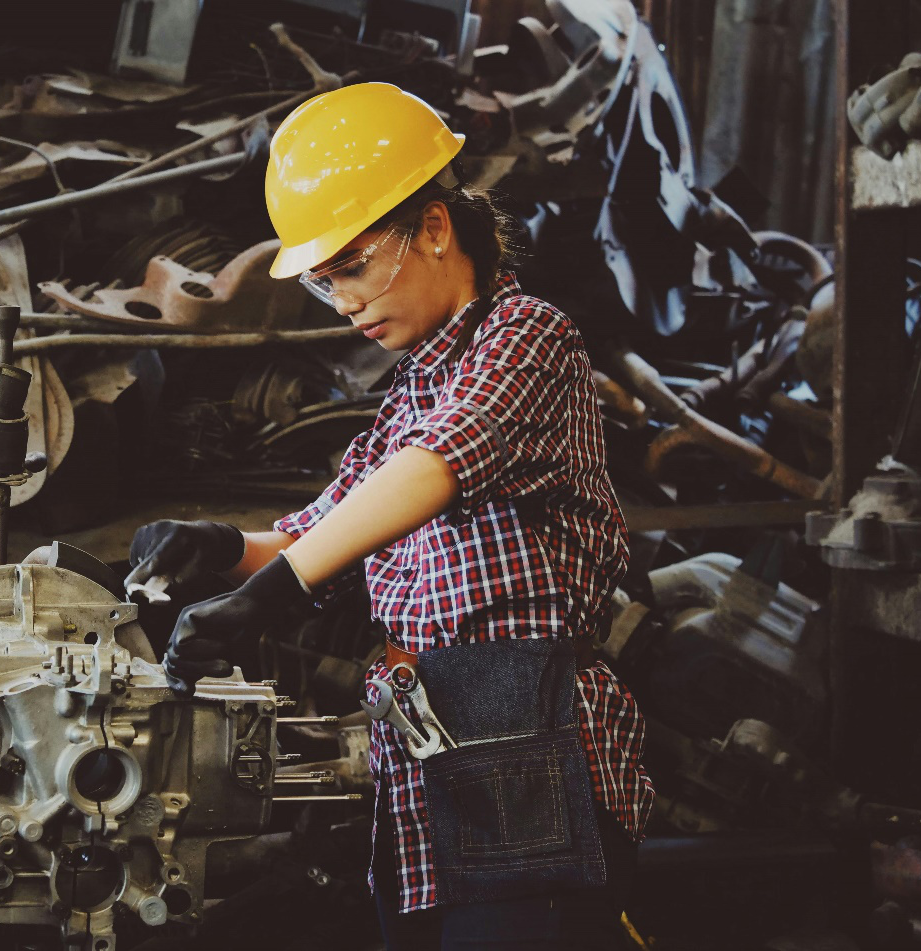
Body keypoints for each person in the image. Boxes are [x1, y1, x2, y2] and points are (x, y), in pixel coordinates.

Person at [126, 82, 654, 950]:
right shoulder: (411, 390)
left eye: (355, 265)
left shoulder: (526, 336)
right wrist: (218, 548)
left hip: (526, 743)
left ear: (435, 229)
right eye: (326, 280)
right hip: (424, 756)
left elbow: (435, 466)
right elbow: (318, 531)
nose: (342, 302)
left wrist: (275, 594)